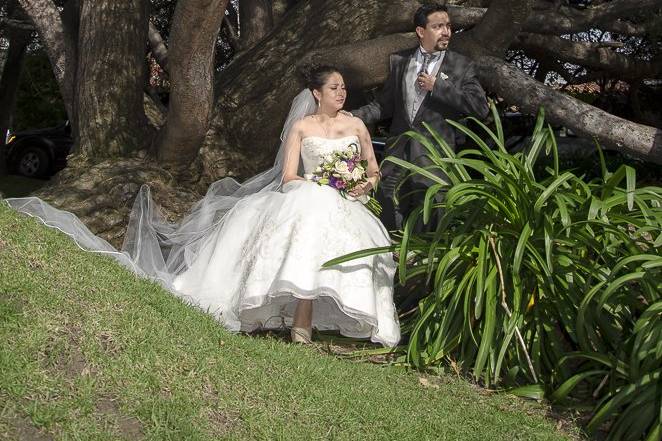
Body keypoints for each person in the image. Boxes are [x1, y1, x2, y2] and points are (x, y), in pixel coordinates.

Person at [6, 65, 401, 347]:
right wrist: (322, 182)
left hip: (345, 199)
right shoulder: (301, 127)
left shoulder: (357, 126)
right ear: (316, 93)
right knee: (305, 228)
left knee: (346, 245)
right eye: (334, 87)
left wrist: (358, 183)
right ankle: (298, 324)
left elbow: (372, 169)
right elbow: (288, 176)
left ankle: (338, 320)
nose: (341, 93)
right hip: (308, 193)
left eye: (344, 88)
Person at [351, 3, 489, 231]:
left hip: (434, 160)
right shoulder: (399, 61)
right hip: (397, 155)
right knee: (388, 213)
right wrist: (351, 116)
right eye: (438, 26)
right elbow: (384, 107)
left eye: (448, 26)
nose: (446, 31)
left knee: (432, 219)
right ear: (421, 32)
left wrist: (439, 86)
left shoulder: (461, 66)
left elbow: (480, 107)